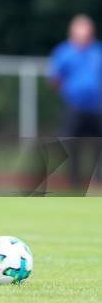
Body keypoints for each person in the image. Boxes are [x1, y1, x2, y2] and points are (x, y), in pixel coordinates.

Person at [48, 14, 102, 187]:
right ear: (73, 31)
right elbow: (55, 78)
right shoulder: (63, 52)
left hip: (97, 107)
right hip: (75, 106)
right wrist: (68, 93)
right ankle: (75, 182)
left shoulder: (97, 51)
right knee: (70, 144)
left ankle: (98, 179)